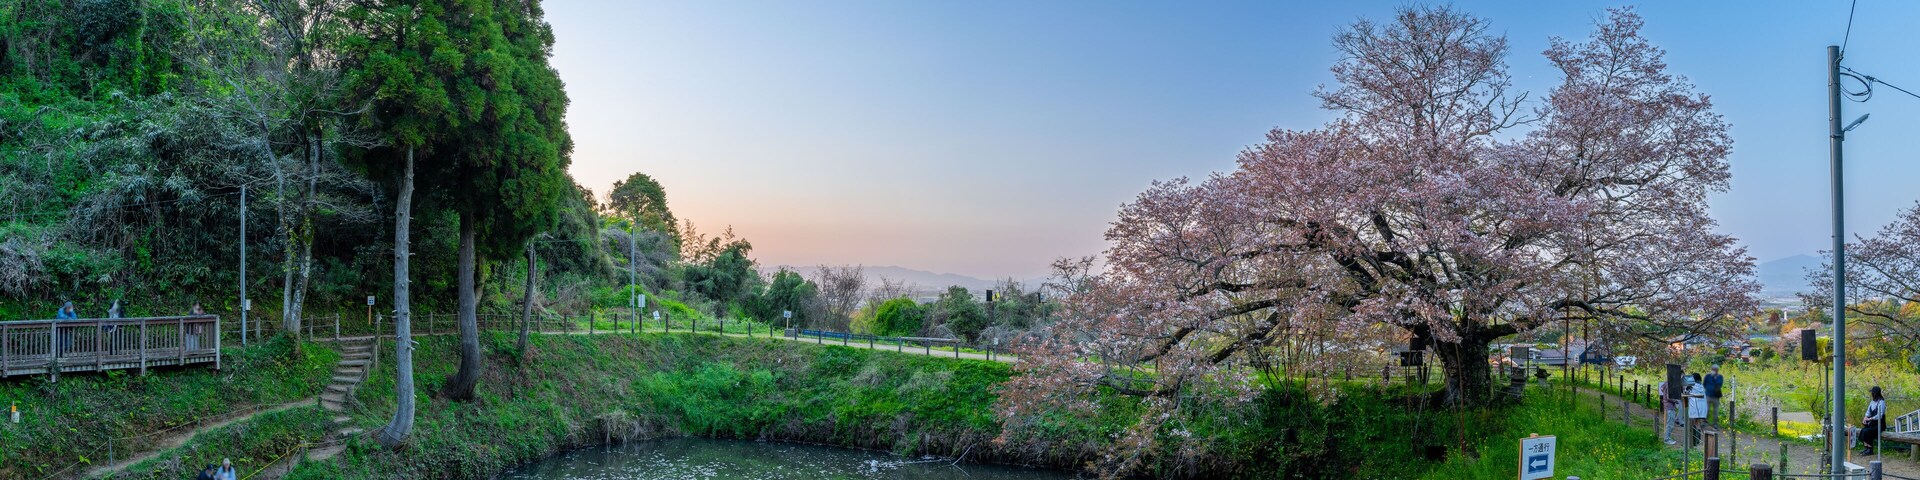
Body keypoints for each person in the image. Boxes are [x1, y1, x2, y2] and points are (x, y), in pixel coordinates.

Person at [1860, 386, 1887, 455]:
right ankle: (1866, 447)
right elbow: (1868, 412)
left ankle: (1870, 449)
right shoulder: (1872, 402)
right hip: (1872, 424)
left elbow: (1880, 415)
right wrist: (1865, 418)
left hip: (1879, 424)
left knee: (1867, 431)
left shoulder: (1881, 402)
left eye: (1872, 392)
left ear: (1875, 394)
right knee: (1862, 431)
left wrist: (1870, 419)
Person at [1686, 373, 1709, 445]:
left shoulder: (1691, 387)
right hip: (1702, 408)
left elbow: (1687, 395)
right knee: (1699, 424)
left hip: (1694, 407)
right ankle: (1698, 439)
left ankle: (1694, 441)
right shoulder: (1703, 387)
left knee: (1693, 423)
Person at [1660, 378, 1682, 445]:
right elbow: (1668, 397)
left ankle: (1668, 438)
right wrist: (1676, 401)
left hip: (1669, 406)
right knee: (1670, 423)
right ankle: (1667, 439)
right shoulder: (1669, 385)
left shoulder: (1665, 384)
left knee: (1670, 423)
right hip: (1670, 406)